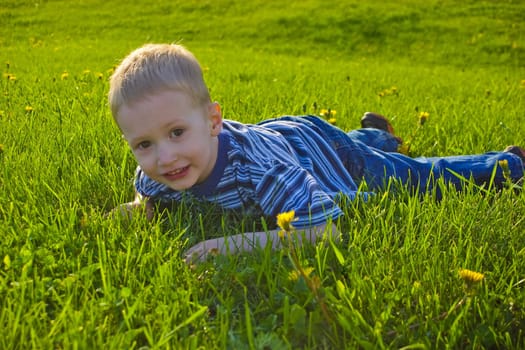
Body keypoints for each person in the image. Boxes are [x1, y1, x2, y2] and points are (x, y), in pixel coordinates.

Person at [108, 43, 525, 263]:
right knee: (365, 149)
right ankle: (373, 133)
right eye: (144, 144)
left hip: (315, 147)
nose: (164, 157)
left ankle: (509, 163)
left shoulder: (259, 169)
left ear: (214, 121)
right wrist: (139, 206)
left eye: (177, 132)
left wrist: (231, 245)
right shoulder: (157, 173)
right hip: (293, 142)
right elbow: (149, 194)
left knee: (409, 176)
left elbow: (325, 231)